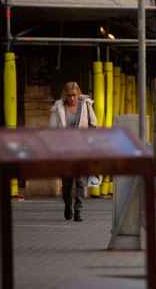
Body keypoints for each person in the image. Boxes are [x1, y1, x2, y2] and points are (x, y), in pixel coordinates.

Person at [49, 82, 98, 222]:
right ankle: (67, 205)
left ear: (78, 94)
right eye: (69, 96)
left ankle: (78, 210)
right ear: (65, 95)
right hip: (65, 150)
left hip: (82, 149)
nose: (72, 98)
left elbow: (93, 124)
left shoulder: (86, 105)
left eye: (74, 96)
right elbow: (51, 130)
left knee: (80, 181)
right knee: (67, 184)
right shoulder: (58, 108)